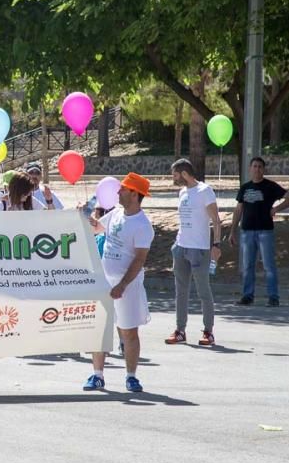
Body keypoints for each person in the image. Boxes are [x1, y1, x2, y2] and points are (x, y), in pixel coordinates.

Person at [84, 174, 154, 392]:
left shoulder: (143, 225)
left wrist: (122, 285)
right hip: (104, 282)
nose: (118, 192)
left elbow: (139, 259)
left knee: (128, 331)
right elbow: (97, 228)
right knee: (99, 329)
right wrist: (85, 217)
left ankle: (131, 376)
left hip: (126, 287)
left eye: (123, 189)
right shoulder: (115, 213)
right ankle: (97, 375)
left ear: (134, 194)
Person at [165, 158, 222, 347]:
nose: (173, 178)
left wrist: (216, 244)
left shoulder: (205, 191)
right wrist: (177, 244)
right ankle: (180, 331)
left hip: (200, 249)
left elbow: (216, 220)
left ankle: (209, 332)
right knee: (181, 291)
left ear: (184, 174)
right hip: (181, 246)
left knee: (203, 291)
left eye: (175, 174)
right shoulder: (182, 192)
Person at [229, 157, 289, 307]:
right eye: (254, 166)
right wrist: (233, 230)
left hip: (265, 231)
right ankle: (247, 296)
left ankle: (273, 297)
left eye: (260, 167)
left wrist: (276, 209)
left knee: (268, 266)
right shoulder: (245, 188)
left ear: (263, 169)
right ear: (250, 169)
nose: (257, 169)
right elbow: (239, 209)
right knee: (248, 265)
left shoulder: (270, 186)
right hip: (247, 232)